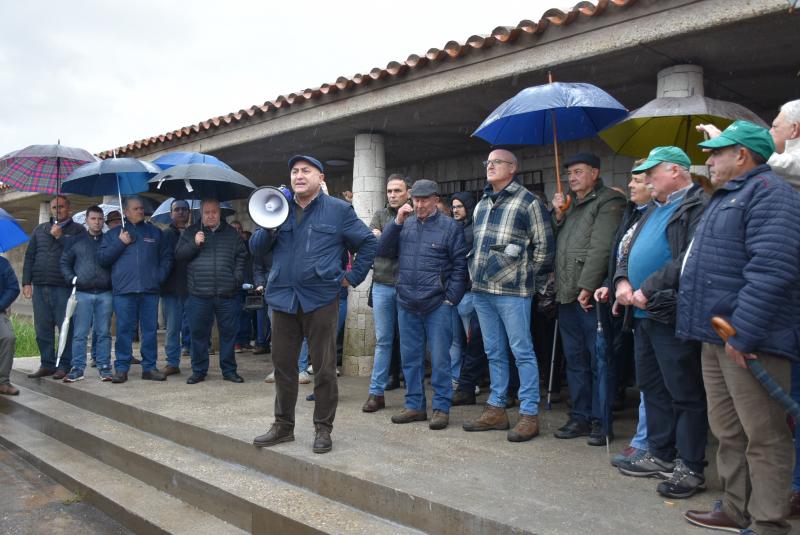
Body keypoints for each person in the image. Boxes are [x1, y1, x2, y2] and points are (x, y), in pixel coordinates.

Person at [679, 122, 799, 535]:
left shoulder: (772, 195)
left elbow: (773, 270)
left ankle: (768, 522)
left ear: (742, 155)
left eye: (717, 153)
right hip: (716, 337)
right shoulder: (730, 196)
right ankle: (734, 508)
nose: (709, 160)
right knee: (728, 430)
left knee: (764, 437)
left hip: (749, 341)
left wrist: (743, 333)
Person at [250, 155, 377, 454]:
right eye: (294, 171)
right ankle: (283, 426)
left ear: (321, 178)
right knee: (283, 367)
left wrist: (352, 276)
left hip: (321, 298)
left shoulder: (338, 210)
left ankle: (323, 428)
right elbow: (256, 249)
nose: (298, 176)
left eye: (306, 171)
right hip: (282, 298)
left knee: (323, 368)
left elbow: (369, 243)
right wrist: (268, 225)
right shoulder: (278, 208)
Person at [613, 147, 709, 499]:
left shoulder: (698, 204)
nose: (647, 178)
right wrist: (622, 281)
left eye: (653, 172)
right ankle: (661, 453)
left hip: (669, 311)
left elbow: (690, 257)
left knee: (684, 392)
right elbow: (628, 249)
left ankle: (691, 466)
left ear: (676, 171)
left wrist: (646, 288)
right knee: (652, 389)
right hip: (641, 313)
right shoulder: (653, 207)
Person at [462, 149, 553, 442]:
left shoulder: (528, 202)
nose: (489, 165)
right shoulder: (482, 204)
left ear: (512, 168)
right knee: (493, 351)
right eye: (487, 161)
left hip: (513, 292)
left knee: (522, 351)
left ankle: (529, 414)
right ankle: (496, 409)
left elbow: (543, 248)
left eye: (496, 162)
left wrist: (525, 277)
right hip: (482, 291)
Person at [378, 179, 467, 430]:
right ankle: (415, 406)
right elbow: (383, 250)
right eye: (415, 200)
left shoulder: (450, 227)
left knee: (440, 359)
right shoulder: (403, 224)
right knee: (411, 358)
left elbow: (460, 266)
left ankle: (441, 408)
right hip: (406, 301)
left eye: (424, 199)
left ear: (435, 200)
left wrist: (451, 298)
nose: (419, 205)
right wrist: (396, 222)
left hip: (438, 303)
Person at [550, 153, 625, 446]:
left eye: (579, 172)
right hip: (566, 295)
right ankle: (579, 415)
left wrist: (587, 285)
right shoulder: (572, 206)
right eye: (570, 173)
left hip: (589, 296)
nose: (572, 177)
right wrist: (558, 215)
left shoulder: (608, 202)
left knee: (599, 359)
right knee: (575, 360)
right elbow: (561, 243)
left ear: (595, 172)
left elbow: (602, 247)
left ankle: (600, 420)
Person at [593, 160, 653, 467]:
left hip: (656, 308)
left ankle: (657, 446)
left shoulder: (660, 216)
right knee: (646, 381)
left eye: (638, 180)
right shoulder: (633, 214)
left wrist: (641, 289)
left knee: (660, 385)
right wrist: (612, 282)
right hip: (629, 306)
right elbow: (621, 254)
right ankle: (645, 440)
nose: (630, 185)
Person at [99, 196, 173, 384]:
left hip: (149, 290)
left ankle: (149, 367)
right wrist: (120, 243)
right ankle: (122, 368)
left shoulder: (155, 233)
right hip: (124, 291)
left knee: (149, 330)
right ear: (126, 212)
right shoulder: (114, 234)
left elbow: (166, 257)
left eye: (141, 208)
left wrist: (159, 276)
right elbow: (103, 259)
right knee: (124, 330)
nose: (140, 211)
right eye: (136, 208)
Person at [175, 200, 247, 384]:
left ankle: (229, 371)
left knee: (229, 334)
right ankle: (199, 371)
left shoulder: (231, 234)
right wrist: (194, 243)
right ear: (201, 213)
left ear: (219, 213)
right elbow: (179, 256)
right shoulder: (191, 232)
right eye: (206, 212)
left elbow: (241, 255)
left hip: (227, 294)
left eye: (214, 212)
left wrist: (236, 279)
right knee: (198, 335)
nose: (210, 215)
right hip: (198, 294)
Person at [362, 174, 411, 413]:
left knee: (410, 341)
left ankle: (413, 397)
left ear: (407, 192)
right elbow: (376, 248)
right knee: (383, 341)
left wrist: (386, 239)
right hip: (382, 284)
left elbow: (401, 247)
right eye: (389, 191)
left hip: (408, 285)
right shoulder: (380, 215)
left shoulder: (414, 216)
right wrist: (386, 242)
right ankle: (376, 393)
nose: (392, 195)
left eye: (397, 191)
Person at [23, 195, 86, 379]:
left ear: (69, 209)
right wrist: (27, 282)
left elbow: (80, 254)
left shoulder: (78, 230)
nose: (57, 210)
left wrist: (61, 237)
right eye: (54, 207)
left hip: (63, 287)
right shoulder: (40, 229)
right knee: (42, 328)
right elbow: (29, 256)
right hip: (41, 286)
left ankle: (64, 365)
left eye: (61, 207)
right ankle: (47, 363)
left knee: (66, 327)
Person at [60, 205, 113, 382]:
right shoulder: (76, 241)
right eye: (93, 219)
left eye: (100, 219)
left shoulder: (110, 240)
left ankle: (105, 367)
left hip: (106, 293)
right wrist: (73, 279)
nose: (97, 222)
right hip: (82, 293)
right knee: (80, 333)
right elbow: (64, 263)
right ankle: (77, 368)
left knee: (104, 332)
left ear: (103, 220)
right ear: (86, 220)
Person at [450, 191, 488, 406]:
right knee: (456, 341)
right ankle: (459, 379)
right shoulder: (453, 228)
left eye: (460, 206)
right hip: (455, 293)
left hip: (469, 292)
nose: (456, 210)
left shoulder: (473, 230)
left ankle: (472, 381)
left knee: (472, 341)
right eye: (453, 206)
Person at [160, 199, 192, 376]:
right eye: (177, 209)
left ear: (189, 213)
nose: (180, 212)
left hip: (193, 288)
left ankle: (197, 361)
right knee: (172, 328)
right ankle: (172, 362)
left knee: (195, 328)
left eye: (184, 209)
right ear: (171, 213)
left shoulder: (196, 232)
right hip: (171, 289)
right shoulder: (165, 235)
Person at [0, 254, 20, 395]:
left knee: (8, 337)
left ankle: (3, 382)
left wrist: (0, 305)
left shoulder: (3, 264)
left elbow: (13, 288)